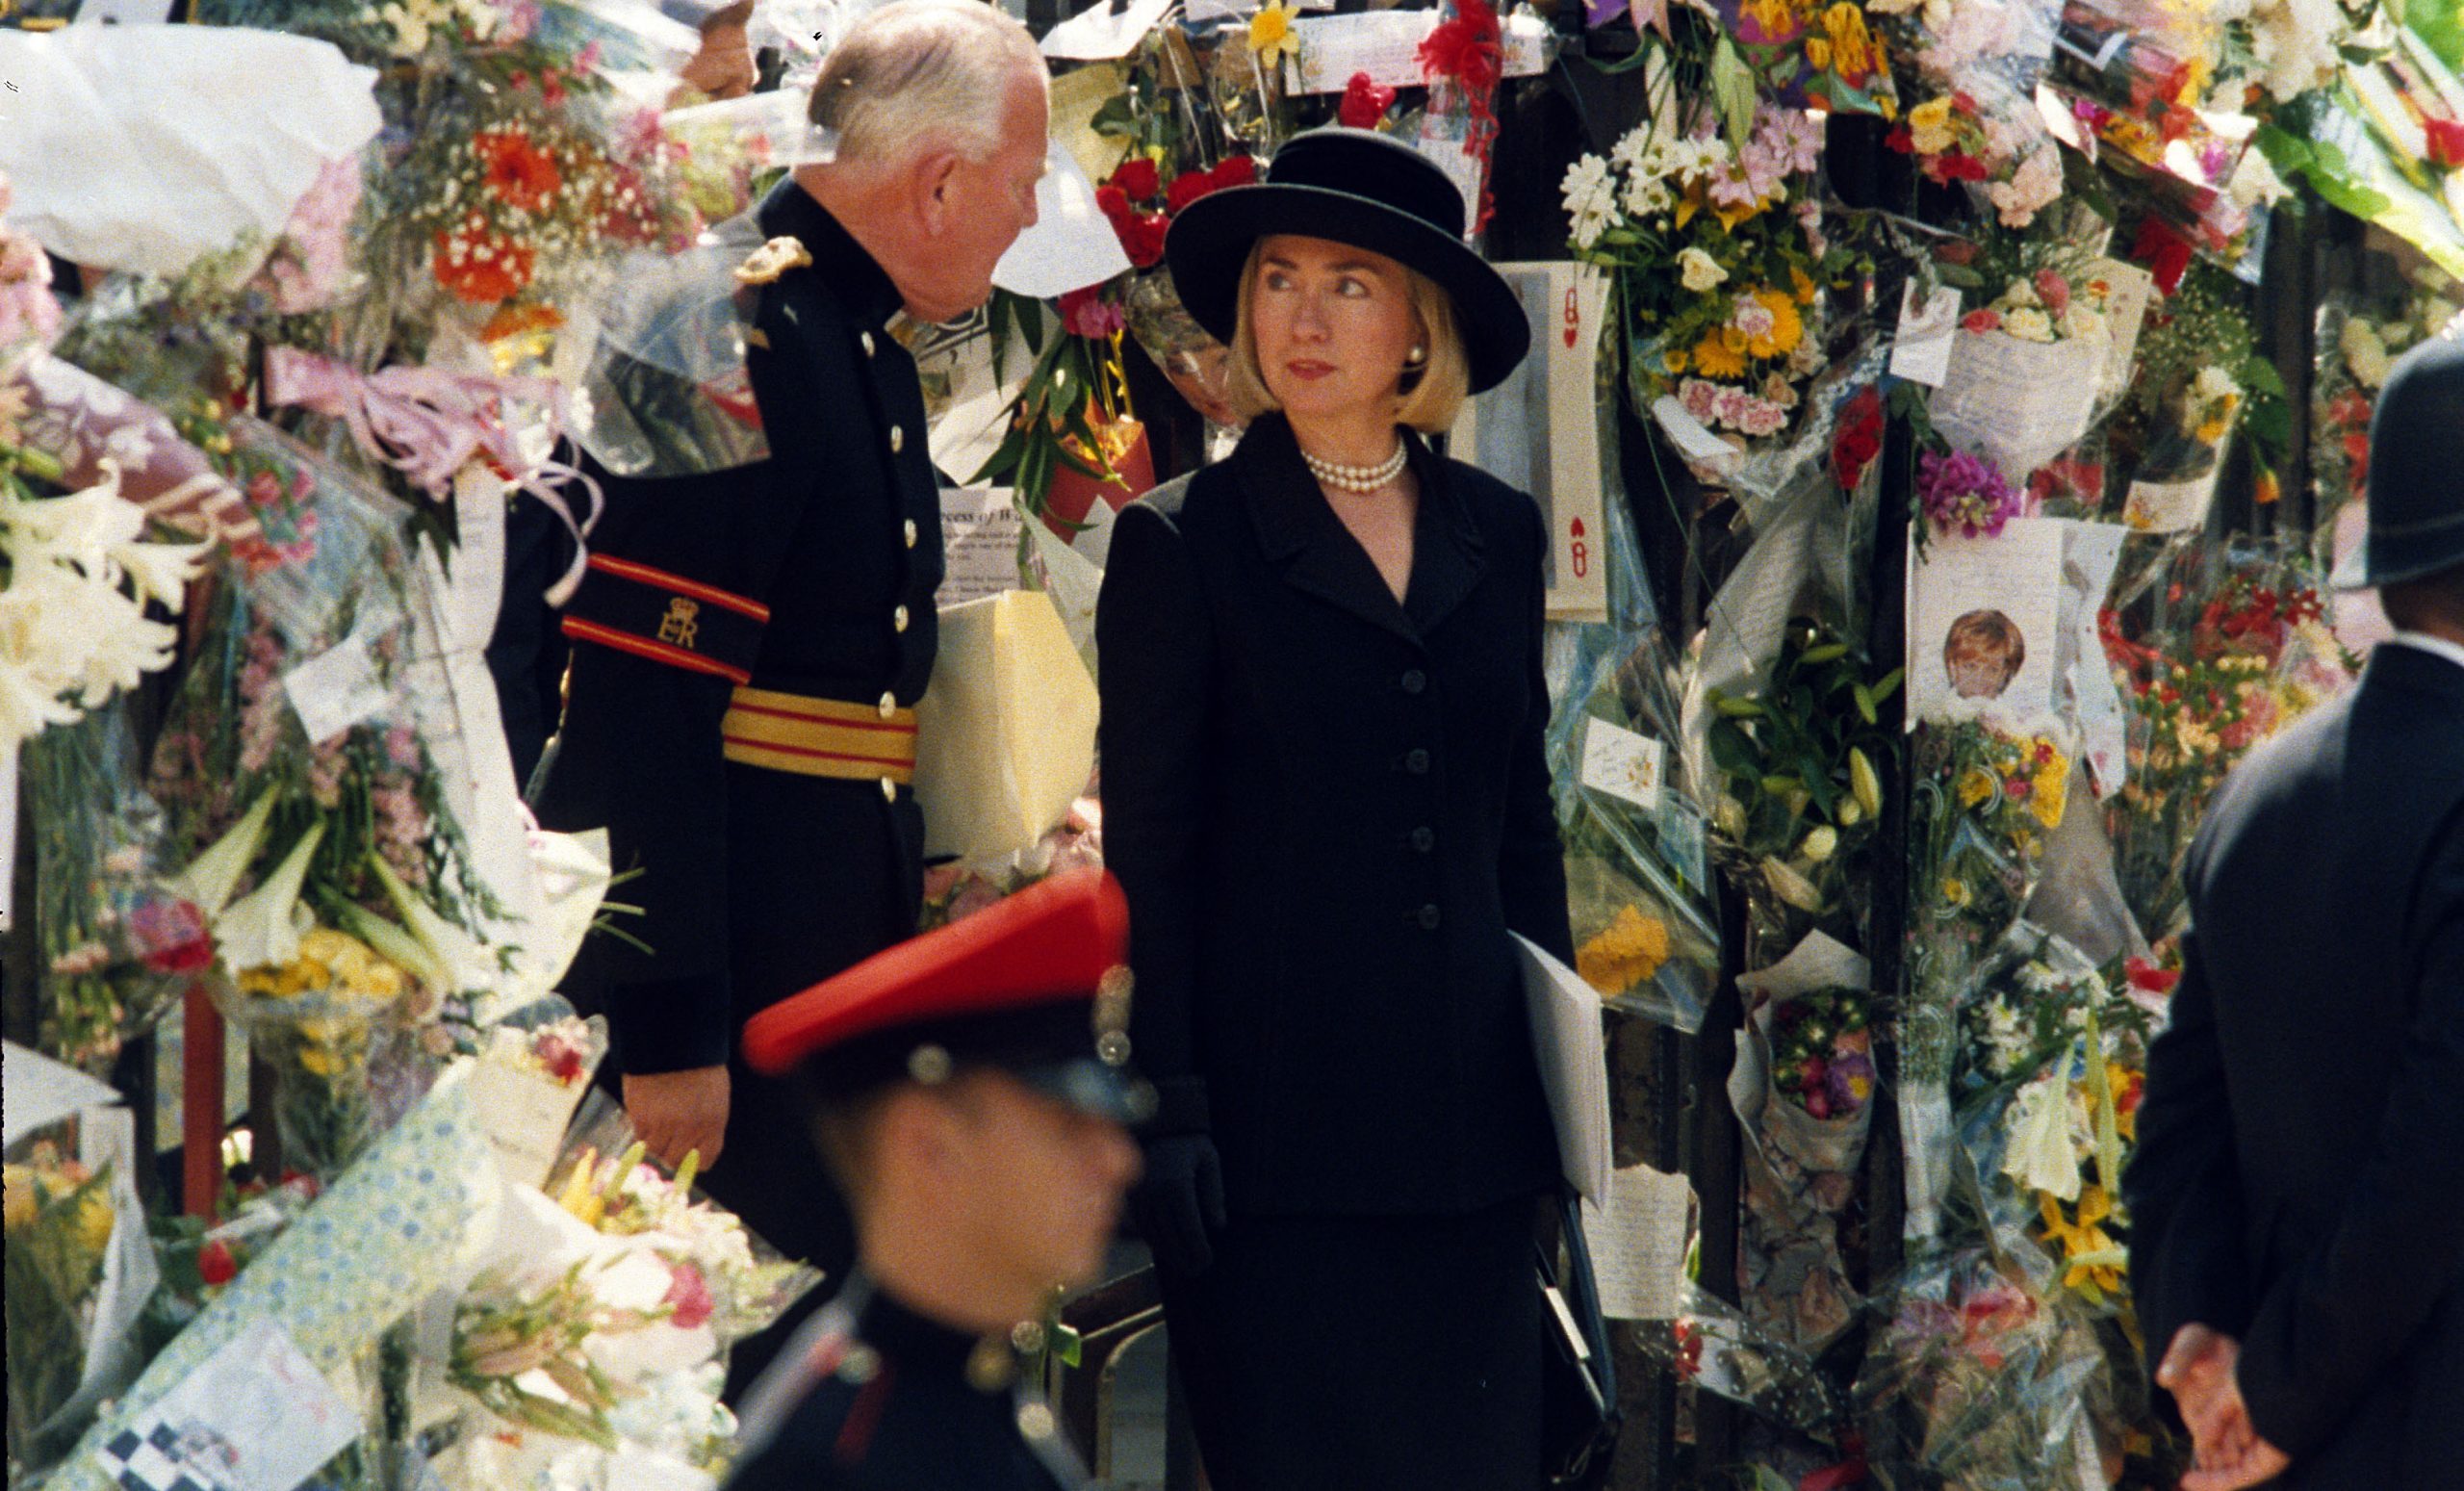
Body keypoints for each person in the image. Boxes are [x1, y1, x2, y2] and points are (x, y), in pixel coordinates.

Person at [532, 0, 1048, 1388]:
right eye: (1021, 182)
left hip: (820, 941)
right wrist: (670, 1024)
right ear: (937, 183)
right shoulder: (727, 321)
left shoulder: (850, 336)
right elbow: (640, 702)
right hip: (736, 968)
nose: (1032, 212)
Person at [1095, 126, 1572, 1489]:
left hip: (1475, 1148)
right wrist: (1172, 1103)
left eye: (1350, 283)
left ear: (1420, 326)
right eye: (1279, 278)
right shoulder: (1184, 540)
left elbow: (1519, 819)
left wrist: (1560, 1093)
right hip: (1273, 1153)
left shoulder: (1498, 527)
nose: (1303, 316)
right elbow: (1153, 855)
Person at [2125, 332, 2464, 1491]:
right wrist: (2272, 1392)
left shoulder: (2260, 785)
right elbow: (2435, 1163)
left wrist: (2198, 1340)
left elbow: (2178, 1120)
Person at [722, 868, 1145, 1491]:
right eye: (1065, 1124)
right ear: (927, 1145)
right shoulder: (838, 1462)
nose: (1119, 1161)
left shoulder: (968, 1397)